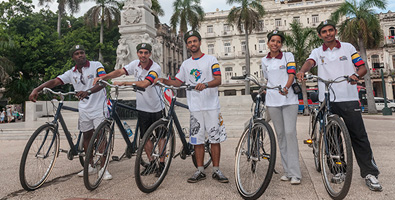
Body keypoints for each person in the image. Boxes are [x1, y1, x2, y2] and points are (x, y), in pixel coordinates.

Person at [296, 20, 382, 191]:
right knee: (332, 137)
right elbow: (310, 62)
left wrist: (356, 76)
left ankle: (370, 173)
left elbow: (362, 67)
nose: (328, 33)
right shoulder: (317, 51)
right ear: (319, 35)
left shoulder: (348, 48)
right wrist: (302, 71)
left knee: (359, 137)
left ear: (335, 31)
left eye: (330, 30)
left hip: (348, 98)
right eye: (324, 32)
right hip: (326, 100)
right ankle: (338, 170)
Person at [29, 45, 113, 180]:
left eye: (82, 52)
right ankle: (90, 165)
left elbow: (103, 81)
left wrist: (88, 91)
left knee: (101, 136)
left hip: (99, 106)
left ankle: (104, 168)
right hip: (84, 108)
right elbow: (55, 81)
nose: (80, 55)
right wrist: (37, 89)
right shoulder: (71, 73)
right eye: (77, 53)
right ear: (73, 57)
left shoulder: (96, 65)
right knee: (87, 136)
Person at [155, 30, 228, 183]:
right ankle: (199, 170)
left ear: (200, 42)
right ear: (187, 45)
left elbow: (218, 79)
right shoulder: (186, 64)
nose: (192, 44)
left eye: (195, 41)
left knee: (214, 139)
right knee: (197, 140)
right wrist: (163, 80)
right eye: (189, 42)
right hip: (195, 107)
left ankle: (216, 170)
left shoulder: (211, 59)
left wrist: (206, 84)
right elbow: (177, 82)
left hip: (211, 106)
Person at [94, 43, 165, 177]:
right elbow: (120, 71)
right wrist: (104, 77)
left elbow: (145, 83)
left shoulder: (155, 67)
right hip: (143, 107)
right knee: (145, 137)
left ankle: (161, 163)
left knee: (161, 136)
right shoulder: (135, 64)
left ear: (150, 54)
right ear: (137, 53)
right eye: (140, 52)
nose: (143, 55)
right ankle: (152, 163)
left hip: (156, 106)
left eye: (146, 53)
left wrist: (124, 83)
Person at [262, 30, 302, 185]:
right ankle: (287, 171)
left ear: (281, 44)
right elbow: (267, 78)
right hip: (272, 101)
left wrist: (285, 87)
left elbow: (291, 74)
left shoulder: (288, 56)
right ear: (268, 43)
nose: (275, 44)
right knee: (280, 135)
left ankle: (295, 173)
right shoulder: (264, 60)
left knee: (290, 133)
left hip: (289, 99)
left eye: (278, 41)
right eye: (272, 41)